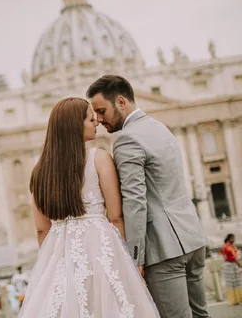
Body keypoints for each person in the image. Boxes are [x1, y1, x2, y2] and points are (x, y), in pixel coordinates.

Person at [19, 97, 160, 317]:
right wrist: (127, 260)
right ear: (76, 124)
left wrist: (54, 260)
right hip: (101, 247)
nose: (96, 122)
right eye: (91, 118)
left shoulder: (39, 171)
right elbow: (116, 217)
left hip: (58, 252)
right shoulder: (99, 158)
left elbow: (41, 229)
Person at [87, 75, 210, 318]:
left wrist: (134, 258)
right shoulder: (158, 126)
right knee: (200, 315)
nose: (99, 120)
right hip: (193, 239)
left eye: (101, 111)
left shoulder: (126, 139)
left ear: (121, 102)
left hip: (163, 249)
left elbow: (135, 202)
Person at [221, 233, 242, 305]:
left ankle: (237, 298)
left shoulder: (227, 246)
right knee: (233, 282)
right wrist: (239, 264)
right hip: (231, 265)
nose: (234, 240)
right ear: (229, 238)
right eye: (233, 238)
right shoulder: (228, 246)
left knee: (234, 282)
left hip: (230, 265)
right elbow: (233, 257)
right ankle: (235, 299)